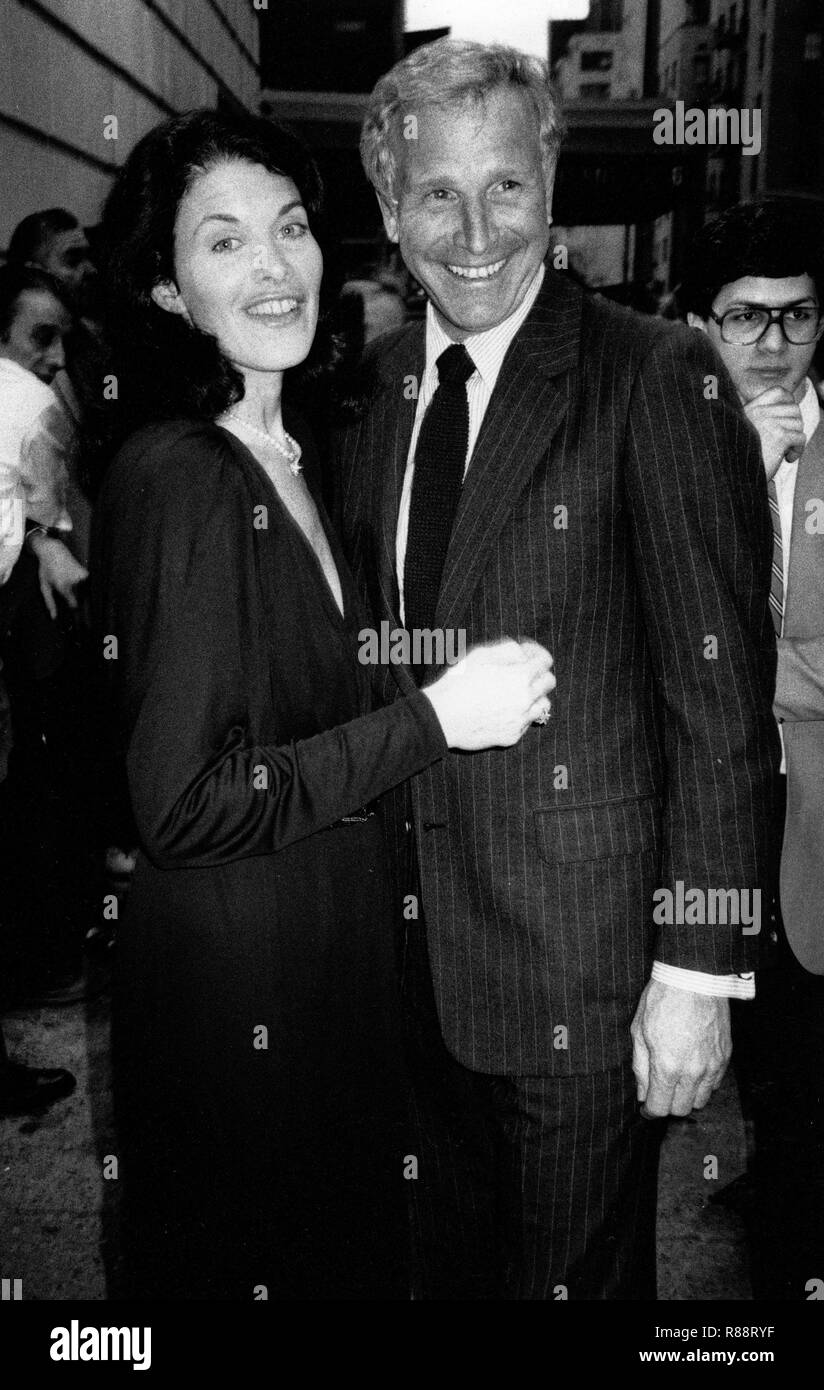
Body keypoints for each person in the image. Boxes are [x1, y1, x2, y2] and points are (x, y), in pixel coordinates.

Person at [336, 38, 779, 1299]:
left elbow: (718, 704)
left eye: (506, 187)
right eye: (435, 193)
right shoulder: (367, 394)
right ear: (388, 210)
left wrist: (695, 974)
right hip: (405, 971)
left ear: (550, 187)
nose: (473, 230)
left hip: (580, 982)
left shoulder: (655, 372)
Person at [91, 109, 554, 1301]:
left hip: (326, 956)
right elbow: (184, 801)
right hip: (244, 978)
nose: (273, 266)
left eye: (289, 229)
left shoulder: (295, 448)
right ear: (162, 285)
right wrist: (435, 720)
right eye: (224, 241)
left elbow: (317, 687)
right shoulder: (182, 473)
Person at [682, 197, 824, 1299]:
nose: (772, 346)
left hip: (815, 792)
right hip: (722, 792)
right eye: (745, 319)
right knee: (754, 1009)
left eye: (796, 317)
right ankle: (777, 1166)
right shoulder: (671, 439)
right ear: (701, 326)